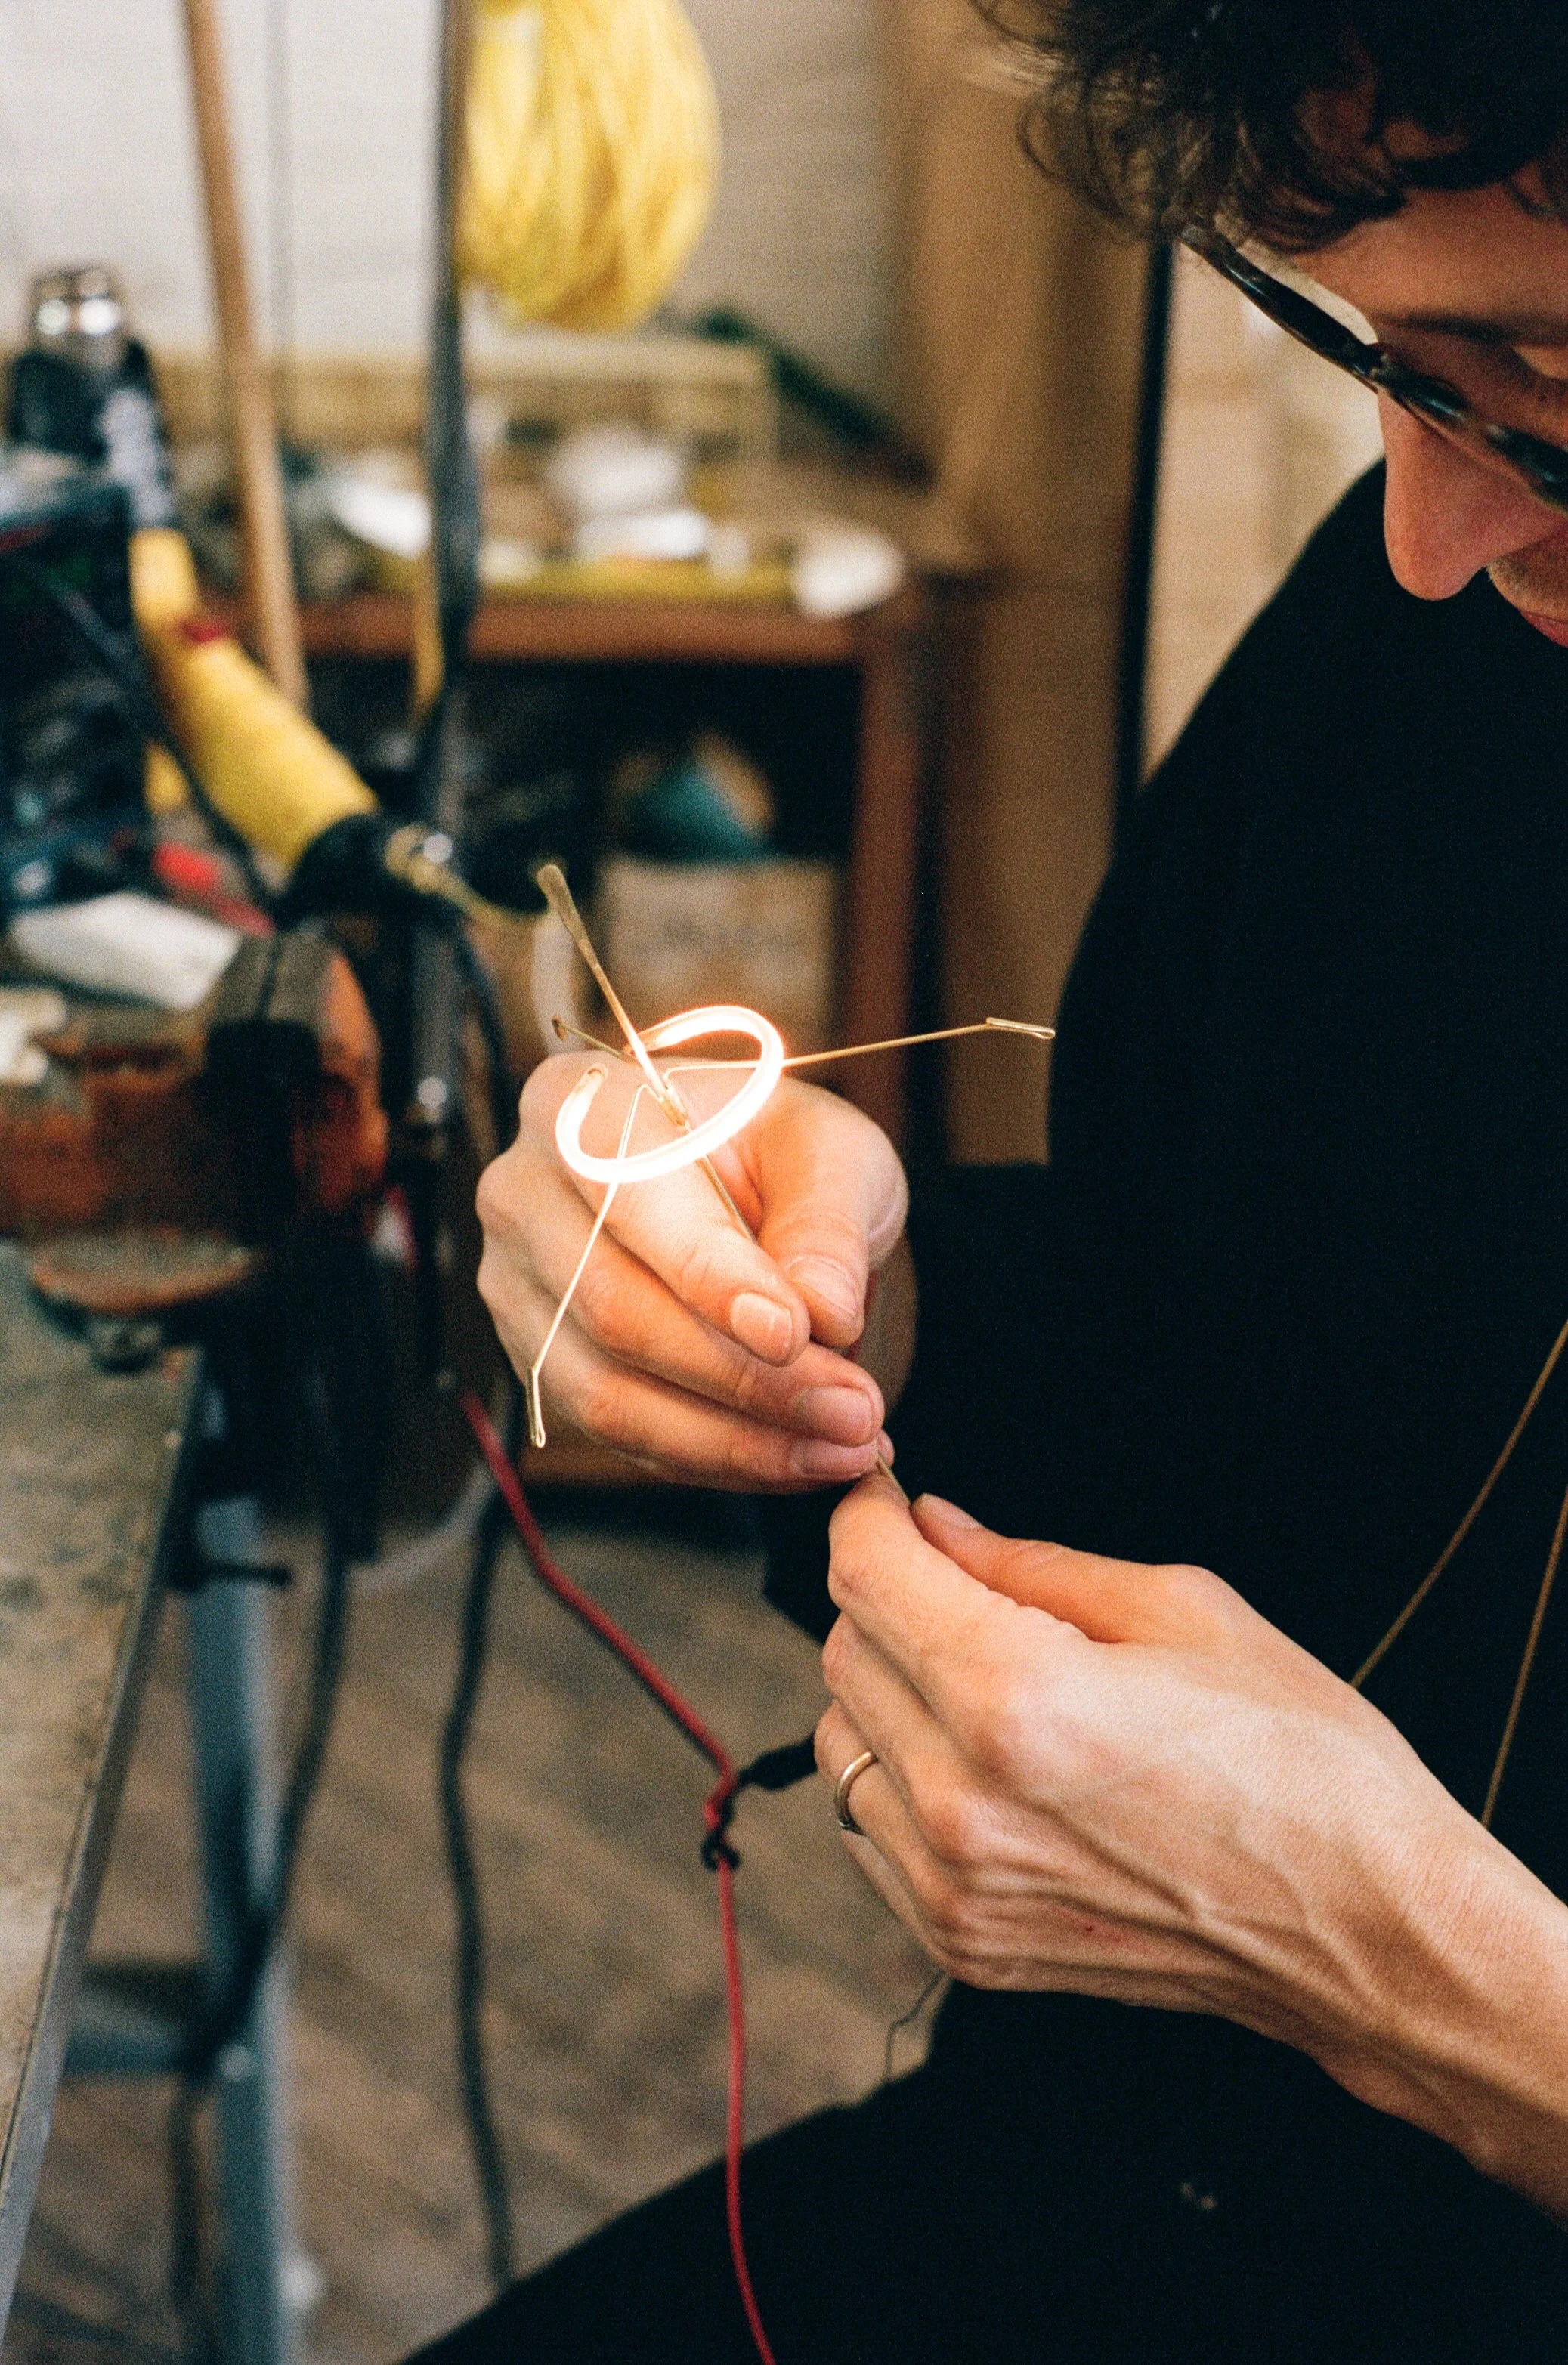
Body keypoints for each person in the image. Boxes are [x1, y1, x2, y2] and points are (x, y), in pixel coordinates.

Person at [427, 2, 1568, 2355]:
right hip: (1097, 2189)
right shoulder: (1440, 642)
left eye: (1543, 395)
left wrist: (1430, 1983)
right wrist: (859, 1285)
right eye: (1399, 362)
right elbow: (1232, 1342)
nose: (1434, 530)